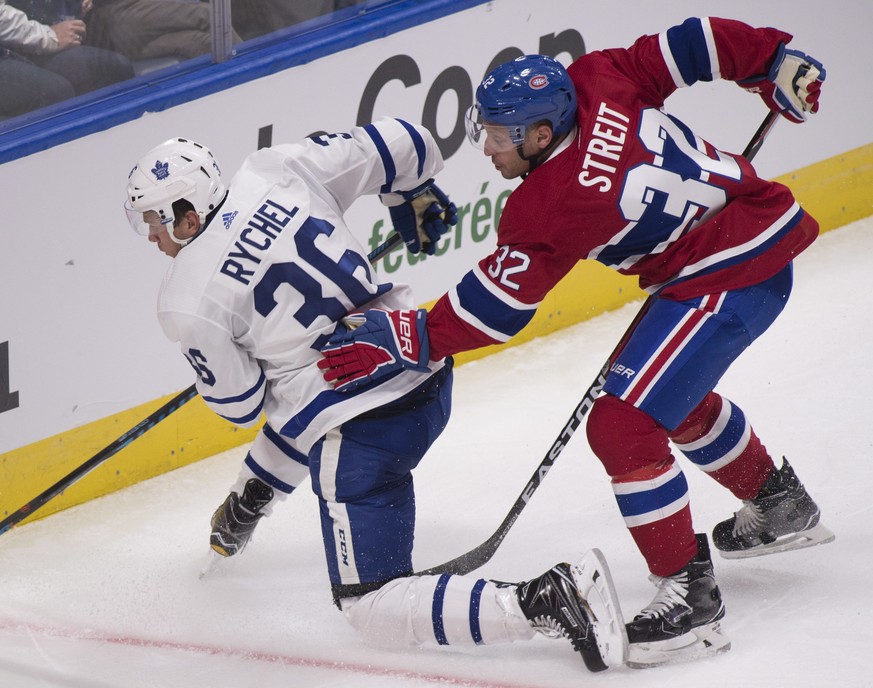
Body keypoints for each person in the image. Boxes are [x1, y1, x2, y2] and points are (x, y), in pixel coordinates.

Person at [316, 16, 835, 667]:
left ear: (540, 134)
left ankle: (690, 601)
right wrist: (771, 60)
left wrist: (416, 333)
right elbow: (688, 45)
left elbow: (498, 307)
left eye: (499, 137)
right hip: (748, 237)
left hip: (724, 272)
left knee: (622, 425)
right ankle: (778, 503)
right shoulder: (598, 78)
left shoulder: (549, 203)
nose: (487, 149)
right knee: (666, 398)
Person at [123, 122, 626, 672]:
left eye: (153, 221)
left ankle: (543, 601)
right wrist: (410, 191)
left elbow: (242, 407)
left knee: (369, 604)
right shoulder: (274, 169)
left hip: (366, 438)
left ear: (187, 214)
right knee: (308, 386)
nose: (152, 237)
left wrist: (237, 353)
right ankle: (253, 497)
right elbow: (406, 142)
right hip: (423, 372)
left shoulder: (185, 299)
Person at [0, 0, 133, 118]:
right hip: (13, 45)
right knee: (55, 93)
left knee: (114, 68)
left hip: (36, 33)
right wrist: (48, 36)